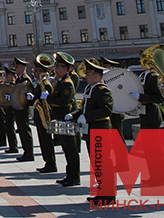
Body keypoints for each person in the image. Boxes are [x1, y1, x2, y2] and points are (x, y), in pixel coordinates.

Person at [73, 58, 115, 205]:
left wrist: (87, 116)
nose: (86, 77)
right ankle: (101, 192)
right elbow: (84, 108)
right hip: (92, 131)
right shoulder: (90, 89)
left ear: (97, 76)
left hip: (101, 130)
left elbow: (106, 109)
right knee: (97, 163)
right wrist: (74, 115)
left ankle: (108, 195)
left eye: (88, 74)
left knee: (103, 163)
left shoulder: (103, 91)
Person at [50, 52, 80, 187]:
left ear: (65, 69)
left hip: (66, 118)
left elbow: (63, 101)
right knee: (66, 149)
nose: (55, 69)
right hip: (60, 118)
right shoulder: (61, 82)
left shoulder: (67, 83)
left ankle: (75, 177)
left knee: (71, 149)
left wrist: (48, 98)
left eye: (58, 67)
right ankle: (69, 175)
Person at [31, 57, 57, 174]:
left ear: (40, 71)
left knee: (46, 141)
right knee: (43, 140)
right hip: (40, 115)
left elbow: (48, 99)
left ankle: (51, 163)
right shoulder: (40, 83)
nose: (34, 73)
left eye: (35, 71)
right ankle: (47, 162)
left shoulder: (46, 83)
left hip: (45, 116)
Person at [12, 58, 35, 162]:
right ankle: (26, 152)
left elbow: (29, 93)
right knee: (21, 130)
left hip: (23, 108)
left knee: (25, 131)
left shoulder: (26, 79)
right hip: (18, 108)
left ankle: (29, 153)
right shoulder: (19, 78)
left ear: (23, 68)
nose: (15, 69)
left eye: (17, 67)